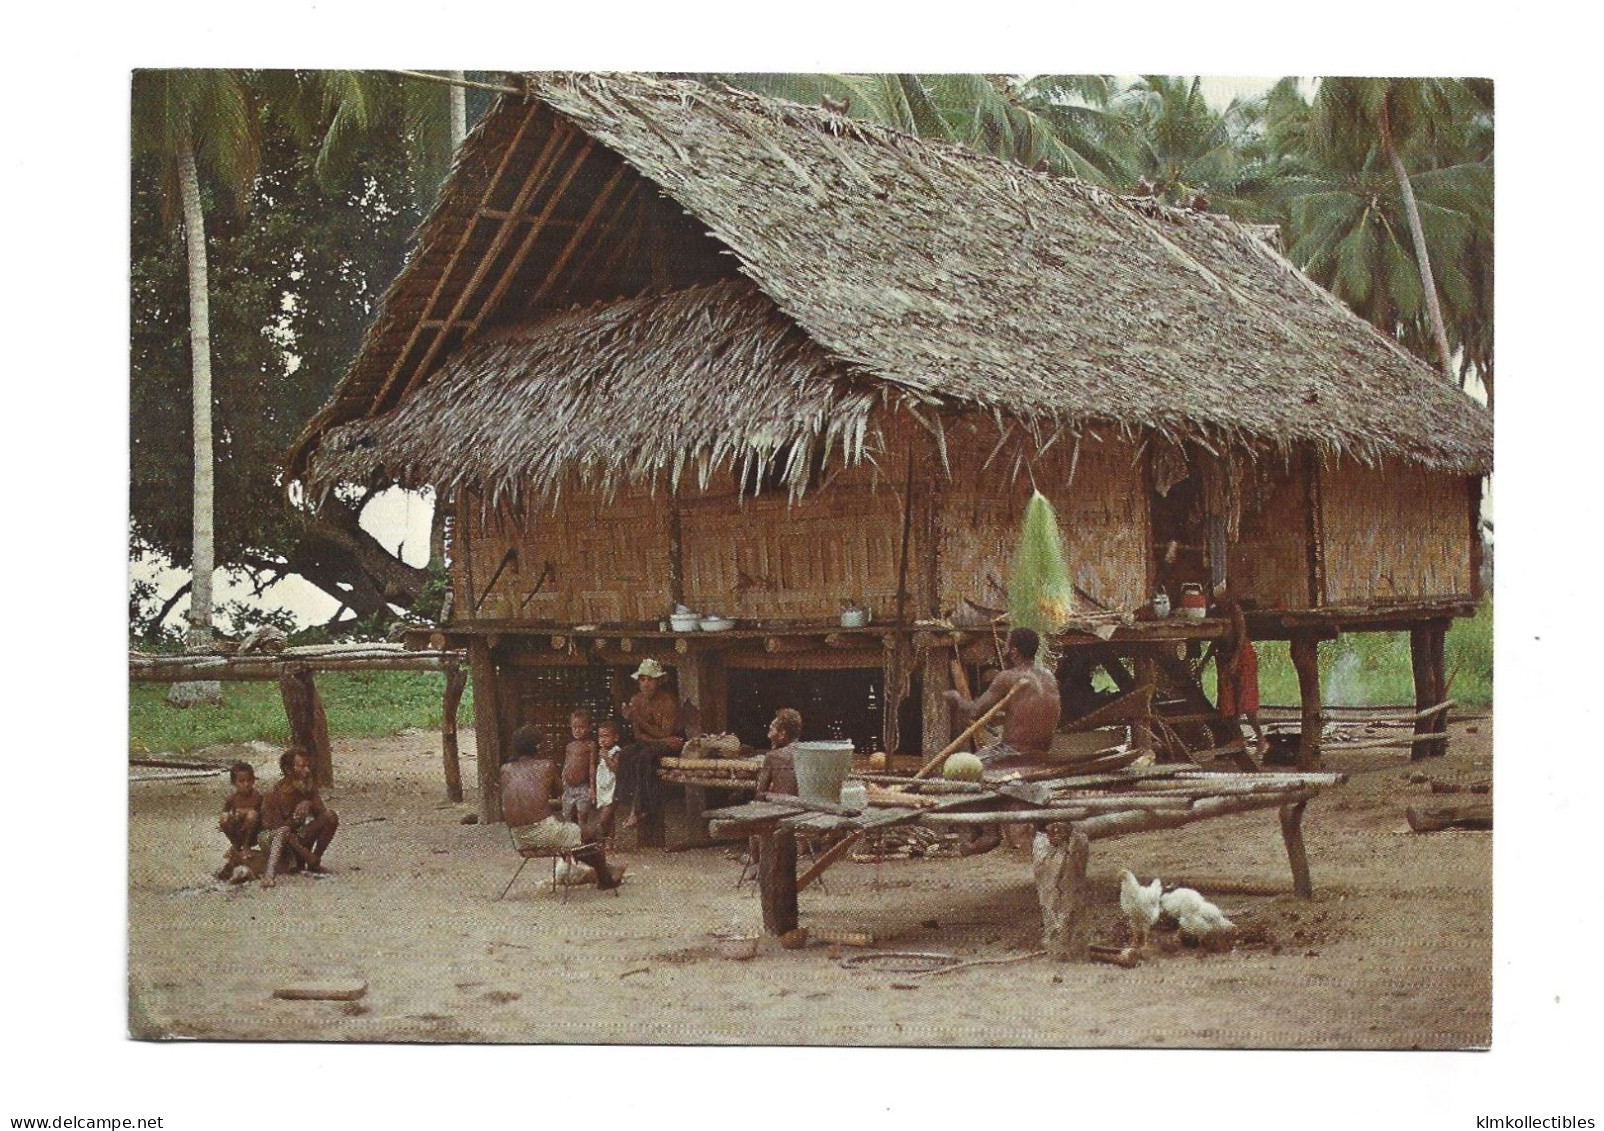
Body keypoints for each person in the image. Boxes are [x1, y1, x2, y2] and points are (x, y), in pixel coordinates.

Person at [943, 627, 1061, 855]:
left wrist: (956, 699)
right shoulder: (1049, 676)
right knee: (978, 763)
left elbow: (974, 710)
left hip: (1014, 752)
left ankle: (989, 831)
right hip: (1042, 751)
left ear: (1014, 651)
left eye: (1008, 645)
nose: (1006, 649)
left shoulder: (1009, 678)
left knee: (967, 768)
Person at [507, 725, 624, 890]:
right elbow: (558, 791)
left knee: (575, 836)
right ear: (538, 747)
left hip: (518, 837)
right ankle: (605, 877)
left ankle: (606, 872)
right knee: (591, 833)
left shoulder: (505, 770)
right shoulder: (545, 766)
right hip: (542, 833)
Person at [618, 658, 685, 833]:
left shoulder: (668, 702)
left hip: (671, 744)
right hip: (654, 743)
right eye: (642, 679)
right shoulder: (636, 700)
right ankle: (630, 804)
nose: (646, 683)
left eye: (650, 679)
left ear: (659, 681)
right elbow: (638, 736)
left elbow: (667, 733)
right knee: (625, 754)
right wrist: (660, 740)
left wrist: (638, 720)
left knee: (644, 757)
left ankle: (642, 809)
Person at [260, 747, 339, 888]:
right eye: (302, 766)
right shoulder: (273, 795)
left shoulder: (307, 788)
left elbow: (323, 815)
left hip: (297, 837)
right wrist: (304, 851)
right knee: (283, 832)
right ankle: (269, 875)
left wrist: (308, 802)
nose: (307, 770)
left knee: (331, 816)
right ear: (289, 770)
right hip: (280, 845)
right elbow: (275, 829)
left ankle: (314, 863)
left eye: (308, 766)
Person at [1203, 582, 1264, 750]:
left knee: (1245, 701)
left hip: (1241, 656)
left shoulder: (1234, 610)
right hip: (1225, 657)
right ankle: (1239, 737)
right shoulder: (1215, 611)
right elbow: (1215, 641)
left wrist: (1235, 660)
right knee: (1227, 703)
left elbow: (1241, 636)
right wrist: (1203, 663)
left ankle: (1260, 737)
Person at [215, 762, 263, 881]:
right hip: (238, 830)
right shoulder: (232, 798)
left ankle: (245, 846)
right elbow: (225, 813)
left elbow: (259, 814)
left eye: (249, 780)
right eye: (242, 781)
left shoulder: (257, 796)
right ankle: (236, 846)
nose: (246, 784)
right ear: (234, 783)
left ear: (253, 780)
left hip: (254, 832)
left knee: (251, 815)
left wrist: (243, 812)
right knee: (224, 818)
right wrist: (232, 817)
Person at [561, 708, 598, 826]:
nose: (577, 730)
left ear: (589, 727)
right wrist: (563, 779)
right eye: (574, 727)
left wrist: (592, 787)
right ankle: (571, 841)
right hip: (568, 786)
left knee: (582, 816)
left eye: (581, 727)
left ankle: (582, 839)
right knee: (567, 816)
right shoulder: (569, 746)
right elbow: (566, 764)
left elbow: (592, 766)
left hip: (583, 786)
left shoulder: (590, 745)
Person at [754, 708, 802, 798]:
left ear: (782, 733)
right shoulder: (808, 754)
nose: (769, 736)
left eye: (771, 730)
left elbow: (759, 795)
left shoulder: (773, 757)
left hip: (782, 808)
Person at [593, 717, 625, 845]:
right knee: (609, 818)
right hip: (603, 788)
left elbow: (616, 768)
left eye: (606, 736)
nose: (602, 739)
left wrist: (606, 757)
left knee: (604, 818)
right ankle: (609, 842)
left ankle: (602, 839)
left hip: (613, 789)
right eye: (600, 736)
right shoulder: (601, 752)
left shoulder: (616, 751)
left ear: (615, 737)